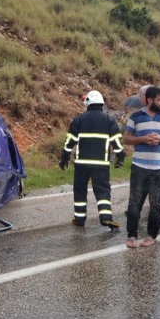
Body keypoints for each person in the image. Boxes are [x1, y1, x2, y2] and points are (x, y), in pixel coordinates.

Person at [59, 90, 125, 230]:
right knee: (102, 191)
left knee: (80, 190)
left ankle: (80, 219)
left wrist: (64, 157)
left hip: (82, 164)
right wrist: (120, 156)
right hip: (101, 164)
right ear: (101, 103)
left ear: (87, 103)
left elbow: (70, 141)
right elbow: (116, 141)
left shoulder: (79, 119)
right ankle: (106, 218)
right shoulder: (109, 120)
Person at [123, 86, 160, 248]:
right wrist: (143, 139)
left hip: (159, 169)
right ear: (149, 100)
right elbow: (126, 138)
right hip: (139, 168)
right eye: (159, 100)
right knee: (134, 204)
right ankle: (131, 236)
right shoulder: (136, 116)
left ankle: (151, 236)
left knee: (156, 204)